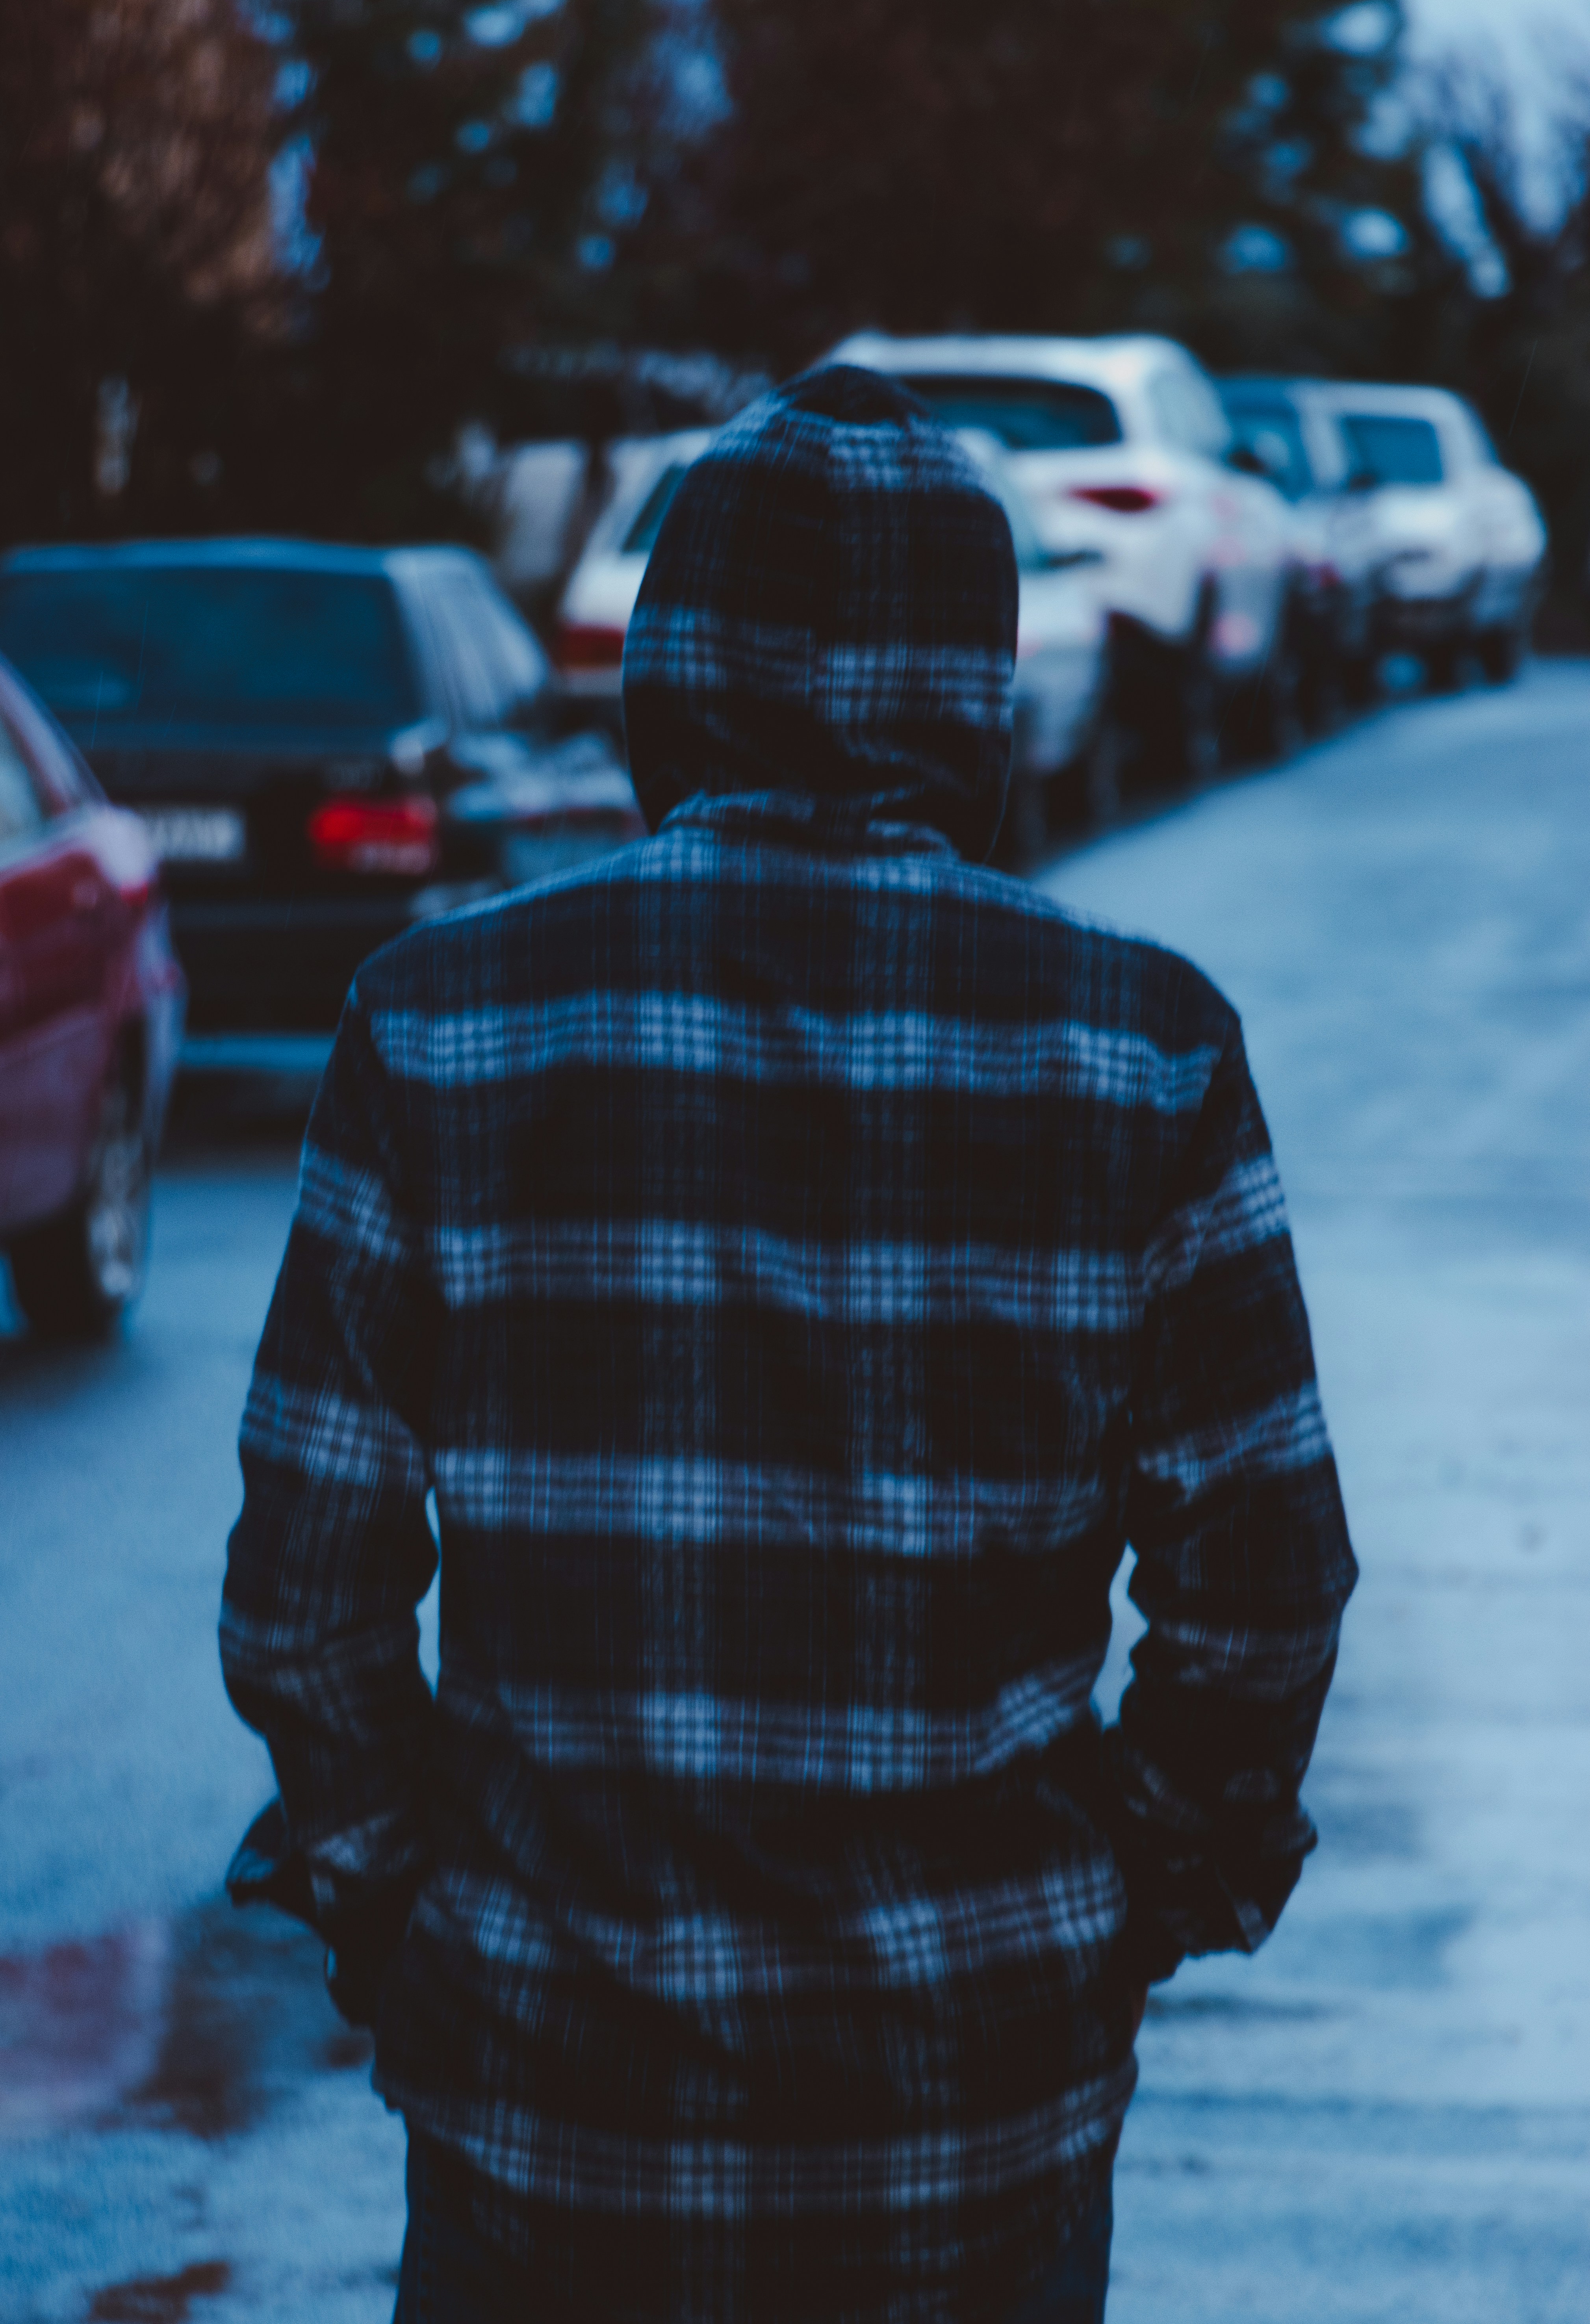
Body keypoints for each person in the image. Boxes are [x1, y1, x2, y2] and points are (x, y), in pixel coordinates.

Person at [220, 365, 1357, 2323]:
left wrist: (404, 1904)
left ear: (671, 665)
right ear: (974, 689)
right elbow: (1258, 1602)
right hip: (972, 2127)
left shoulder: (437, 1019)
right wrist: (1114, 1911)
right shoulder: (1145, 1047)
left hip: (541, 2119)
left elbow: (305, 1604)